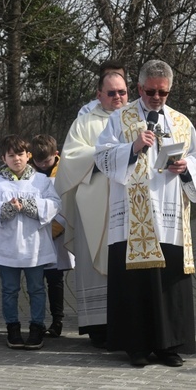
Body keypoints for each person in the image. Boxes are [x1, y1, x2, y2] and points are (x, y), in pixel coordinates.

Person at [94, 59, 196, 367]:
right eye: (150, 91)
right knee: (135, 284)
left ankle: (168, 346)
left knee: (168, 281)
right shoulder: (120, 118)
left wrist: (187, 169)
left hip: (170, 213)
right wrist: (132, 148)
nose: (156, 98)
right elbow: (102, 156)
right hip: (133, 217)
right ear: (138, 88)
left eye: (163, 92)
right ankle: (136, 347)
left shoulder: (182, 122)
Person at [55, 71, 129, 349]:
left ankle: (128, 323)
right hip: (95, 206)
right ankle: (99, 326)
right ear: (99, 95)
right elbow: (71, 159)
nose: (118, 98)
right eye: (111, 93)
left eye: (122, 92)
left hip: (131, 207)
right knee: (95, 264)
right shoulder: (84, 123)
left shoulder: (136, 120)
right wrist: (109, 156)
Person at [0, 134, 62, 350]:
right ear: (3, 158)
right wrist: (6, 208)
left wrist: (30, 206)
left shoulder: (41, 181)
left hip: (34, 245)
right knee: (9, 289)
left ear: (28, 156)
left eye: (20, 154)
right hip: (8, 246)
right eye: (11, 155)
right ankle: (13, 328)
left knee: (36, 288)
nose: (16, 159)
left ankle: (37, 327)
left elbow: (55, 203)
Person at [29, 134, 75, 337]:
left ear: (56, 155)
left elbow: (69, 203)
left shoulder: (66, 172)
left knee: (55, 280)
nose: (42, 166)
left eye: (46, 162)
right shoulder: (29, 173)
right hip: (34, 234)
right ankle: (36, 321)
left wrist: (55, 230)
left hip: (57, 234)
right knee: (35, 281)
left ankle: (58, 321)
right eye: (38, 162)